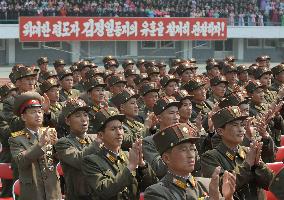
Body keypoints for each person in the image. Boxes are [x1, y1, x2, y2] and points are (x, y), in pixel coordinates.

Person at [144, 123, 236, 200]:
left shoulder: (207, 184)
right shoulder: (156, 192)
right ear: (166, 158)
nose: (190, 155)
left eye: (192, 149)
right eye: (183, 150)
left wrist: (228, 197)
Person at [82, 107, 157, 199]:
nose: (119, 133)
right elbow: (104, 191)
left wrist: (142, 165)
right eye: (113, 129)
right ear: (101, 135)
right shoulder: (91, 161)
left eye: (120, 128)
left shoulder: (128, 155)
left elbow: (152, 184)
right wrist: (130, 167)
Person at [201, 106, 274, 200]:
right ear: (220, 131)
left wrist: (258, 165)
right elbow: (221, 187)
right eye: (235, 125)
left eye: (242, 125)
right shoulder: (210, 157)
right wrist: (247, 165)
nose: (241, 129)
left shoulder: (248, 151)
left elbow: (271, 184)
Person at [8, 91, 62, 200]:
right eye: (33, 112)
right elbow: (21, 161)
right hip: (33, 191)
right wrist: (40, 144)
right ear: (23, 117)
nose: (38, 115)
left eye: (40, 111)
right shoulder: (16, 139)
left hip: (52, 190)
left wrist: (58, 146)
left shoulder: (50, 132)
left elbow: (59, 159)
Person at [55, 98, 100, 200]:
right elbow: (79, 160)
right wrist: (97, 144)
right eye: (78, 115)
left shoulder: (94, 138)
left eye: (85, 115)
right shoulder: (63, 143)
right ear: (67, 121)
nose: (84, 119)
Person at [143, 96, 181, 179]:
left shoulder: (184, 137)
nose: (176, 117)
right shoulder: (150, 141)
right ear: (159, 118)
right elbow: (159, 169)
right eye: (171, 113)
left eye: (177, 113)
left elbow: (196, 164)